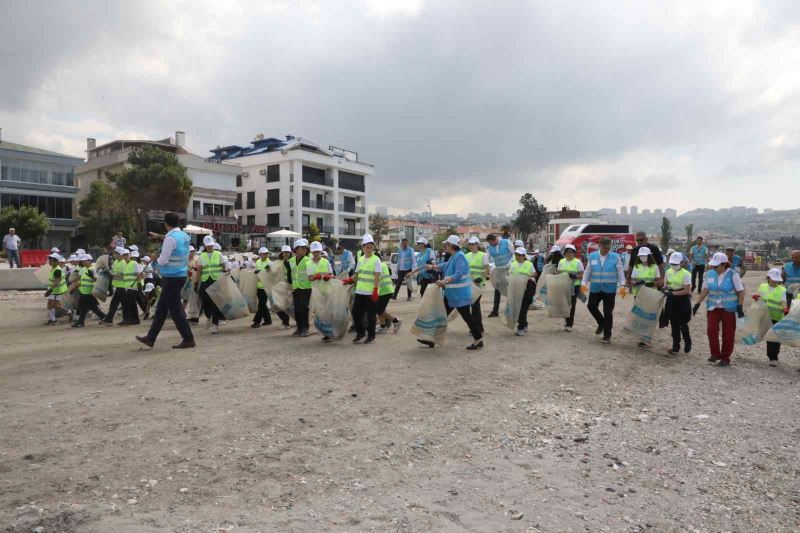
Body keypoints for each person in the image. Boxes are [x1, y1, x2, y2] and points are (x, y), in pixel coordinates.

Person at [135, 212, 195, 349]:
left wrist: (154, 257)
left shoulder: (170, 239)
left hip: (171, 277)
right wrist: (161, 237)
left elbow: (163, 261)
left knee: (172, 310)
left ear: (165, 224)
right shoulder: (184, 236)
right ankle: (151, 338)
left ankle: (188, 338)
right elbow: (173, 240)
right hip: (180, 275)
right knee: (166, 309)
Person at [426, 235, 483, 349]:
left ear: (452, 245)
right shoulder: (454, 256)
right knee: (442, 315)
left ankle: (478, 339)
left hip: (459, 295)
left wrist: (444, 281)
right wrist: (433, 267)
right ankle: (431, 339)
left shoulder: (460, 257)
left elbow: (459, 274)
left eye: (446, 244)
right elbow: (445, 265)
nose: (445, 246)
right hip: (452, 294)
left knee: (467, 317)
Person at [693, 252, 745, 367]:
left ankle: (725, 357)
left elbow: (740, 291)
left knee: (728, 333)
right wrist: (697, 304)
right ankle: (715, 353)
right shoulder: (710, 274)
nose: (713, 268)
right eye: (713, 265)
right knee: (711, 330)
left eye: (716, 266)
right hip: (713, 307)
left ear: (724, 264)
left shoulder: (733, 274)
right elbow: (705, 290)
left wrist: (740, 306)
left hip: (729, 308)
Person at [581, 237, 627, 344]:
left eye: (608, 247)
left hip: (609, 289)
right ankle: (601, 322)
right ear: (599, 246)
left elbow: (620, 271)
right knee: (591, 306)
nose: (606, 249)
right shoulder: (592, 256)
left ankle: (607, 335)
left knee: (608, 312)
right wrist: (583, 282)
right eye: (604, 247)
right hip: (595, 287)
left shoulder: (615, 256)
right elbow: (588, 270)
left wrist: (623, 285)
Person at [629, 248, 664, 347]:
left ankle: (644, 339)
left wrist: (651, 283)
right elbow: (631, 281)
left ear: (649, 256)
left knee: (648, 317)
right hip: (639, 295)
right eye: (641, 256)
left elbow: (659, 281)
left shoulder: (654, 267)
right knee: (639, 316)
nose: (642, 258)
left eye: (644, 256)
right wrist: (635, 283)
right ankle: (640, 336)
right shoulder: (636, 267)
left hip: (650, 295)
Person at [351, 234, 381, 344]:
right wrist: (349, 280)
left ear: (373, 248)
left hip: (370, 292)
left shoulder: (376, 260)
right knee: (355, 313)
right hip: (359, 291)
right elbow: (357, 274)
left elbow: (377, 275)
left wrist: (375, 290)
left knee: (371, 315)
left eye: (371, 247)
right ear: (363, 248)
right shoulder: (361, 259)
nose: (369, 249)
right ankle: (360, 333)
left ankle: (372, 336)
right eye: (367, 247)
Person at [196, 235, 227, 334]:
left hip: (215, 280)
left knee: (215, 302)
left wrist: (226, 271)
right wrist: (196, 282)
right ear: (205, 246)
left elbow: (224, 266)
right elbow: (199, 270)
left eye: (211, 245)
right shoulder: (202, 256)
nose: (209, 247)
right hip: (205, 280)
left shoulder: (218, 254)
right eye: (208, 245)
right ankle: (208, 316)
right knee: (205, 301)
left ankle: (215, 324)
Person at [758, 269, 789, 366]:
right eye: (773, 279)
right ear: (768, 278)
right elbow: (759, 298)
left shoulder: (782, 290)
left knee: (775, 338)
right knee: (769, 337)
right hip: (765, 316)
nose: (775, 281)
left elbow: (783, 301)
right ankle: (771, 356)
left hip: (777, 317)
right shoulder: (762, 287)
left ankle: (773, 358)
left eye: (777, 280)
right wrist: (756, 298)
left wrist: (785, 309)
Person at [663, 252, 692, 355]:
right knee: (674, 324)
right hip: (671, 300)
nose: (674, 266)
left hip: (682, 300)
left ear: (681, 262)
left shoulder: (686, 274)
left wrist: (672, 293)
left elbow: (686, 290)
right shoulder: (668, 272)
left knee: (683, 323)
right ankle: (676, 347)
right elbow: (666, 285)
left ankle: (687, 342)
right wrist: (664, 290)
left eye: (676, 264)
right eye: (672, 264)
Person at [72, 254, 106, 327]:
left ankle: (81, 322)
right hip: (83, 291)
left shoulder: (94, 269)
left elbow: (98, 281)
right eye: (83, 261)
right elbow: (81, 281)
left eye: (86, 260)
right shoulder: (83, 269)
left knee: (86, 307)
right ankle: (103, 317)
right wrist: (74, 288)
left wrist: (93, 277)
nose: (84, 262)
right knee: (89, 307)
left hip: (90, 292)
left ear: (90, 260)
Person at [464, 236, 490, 334]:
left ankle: (479, 328)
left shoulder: (483, 255)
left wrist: (480, 278)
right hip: (469, 284)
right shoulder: (466, 255)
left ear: (477, 245)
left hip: (478, 284)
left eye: (473, 244)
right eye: (470, 244)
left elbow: (487, 269)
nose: (471, 246)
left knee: (475, 306)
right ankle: (474, 328)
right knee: (470, 306)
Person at [510, 247, 536, 337]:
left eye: (520, 255)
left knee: (522, 309)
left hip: (527, 290)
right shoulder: (513, 264)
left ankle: (520, 328)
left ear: (524, 256)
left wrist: (528, 275)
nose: (518, 257)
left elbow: (534, 274)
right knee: (518, 309)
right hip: (516, 290)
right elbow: (510, 275)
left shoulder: (529, 264)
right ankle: (524, 324)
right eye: (516, 255)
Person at [557, 244, 584, 332]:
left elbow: (582, 275)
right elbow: (558, 272)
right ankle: (566, 319)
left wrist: (575, 276)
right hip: (564, 286)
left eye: (571, 252)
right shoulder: (561, 261)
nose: (569, 254)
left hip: (574, 286)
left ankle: (569, 324)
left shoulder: (578, 262)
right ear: (564, 253)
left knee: (571, 305)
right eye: (567, 252)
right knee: (564, 304)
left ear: (574, 253)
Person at [486, 233, 514, 317]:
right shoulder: (489, 247)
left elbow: (513, 254)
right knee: (497, 289)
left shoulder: (506, 242)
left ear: (495, 239)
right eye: (489, 243)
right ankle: (495, 311)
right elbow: (487, 258)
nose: (491, 245)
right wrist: (488, 266)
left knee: (510, 290)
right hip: (499, 270)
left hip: (509, 270)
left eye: (491, 243)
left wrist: (510, 263)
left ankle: (512, 310)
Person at [101, 247, 130, 326]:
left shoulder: (123, 263)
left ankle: (125, 319)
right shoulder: (116, 262)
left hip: (123, 286)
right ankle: (109, 319)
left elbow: (123, 274)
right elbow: (112, 271)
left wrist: (113, 274)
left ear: (119, 254)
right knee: (115, 303)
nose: (113, 255)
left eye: (115, 253)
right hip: (118, 286)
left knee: (122, 304)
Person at [289, 238, 312, 337]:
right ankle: (299, 327)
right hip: (295, 288)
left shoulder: (308, 260)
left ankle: (305, 328)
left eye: (305, 248)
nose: (304, 250)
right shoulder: (291, 261)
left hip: (306, 288)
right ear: (296, 250)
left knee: (304, 309)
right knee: (297, 309)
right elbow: (290, 274)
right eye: (302, 248)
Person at [375, 252, 402, 334]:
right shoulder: (383, 265)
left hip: (384, 291)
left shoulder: (377, 266)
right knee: (380, 310)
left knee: (379, 309)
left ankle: (396, 321)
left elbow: (377, 278)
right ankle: (382, 326)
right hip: (387, 290)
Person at [251, 247, 274, 328]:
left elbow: (270, 273)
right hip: (259, 286)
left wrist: (261, 271)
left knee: (261, 304)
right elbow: (255, 271)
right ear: (260, 255)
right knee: (262, 304)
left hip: (266, 286)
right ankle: (268, 320)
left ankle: (257, 321)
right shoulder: (257, 262)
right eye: (263, 254)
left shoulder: (270, 263)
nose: (265, 255)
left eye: (266, 253)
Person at [44, 253, 67, 324]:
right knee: (50, 304)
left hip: (57, 290)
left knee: (56, 305)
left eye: (51, 260)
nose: (49, 261)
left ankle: (69, 312)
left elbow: (56, 282)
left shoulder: (57, 270)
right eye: (49, 260)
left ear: (57, 262)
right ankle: (53, 320)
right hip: (53, 290)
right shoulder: (53, 268)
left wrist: (49, 291)